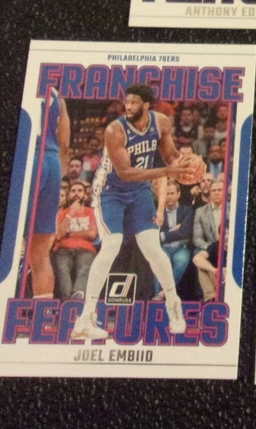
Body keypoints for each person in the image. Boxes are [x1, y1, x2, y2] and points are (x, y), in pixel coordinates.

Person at [70, 84, 199, 340]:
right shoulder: (114, 130)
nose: (128, 107)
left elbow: (170, 155)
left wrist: (188, 164)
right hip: (111, 191)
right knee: (111, 245)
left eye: (134, 102)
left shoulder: (161, 123)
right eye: (126, 102)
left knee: (152, 248)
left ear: (147, 105)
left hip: (139, 191)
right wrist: (168, 171)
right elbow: (126, 173)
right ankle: (85, 319)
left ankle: (174, 306)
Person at [28, 87, 70, 299]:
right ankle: (42, 313)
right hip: (52, 161)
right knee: (40, 253)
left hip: (29, 156)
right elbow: (65, 142)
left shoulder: (26, 82)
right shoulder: (56, 94)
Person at [51, 180, 98, 300]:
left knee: (84, 267)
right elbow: (59, 235)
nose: (76, 193)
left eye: (80, 191)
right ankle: (68, 301)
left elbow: (92, 234)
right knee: (62, 269)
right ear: (68, 196)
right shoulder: (62, 213)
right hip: (63, 249)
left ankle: (77, 296)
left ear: (85, 195)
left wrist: (69, 234)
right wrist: (71, 214)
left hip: (86, 249)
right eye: (73, 191)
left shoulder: (92, 212)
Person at [155, 179, 194, 300]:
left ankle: (163, 293)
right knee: (159, 262)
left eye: (172, 193)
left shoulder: (187, 211)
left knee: (182, 260)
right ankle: (158, 295)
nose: (169, 197)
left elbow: (185, 232)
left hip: (180, 248)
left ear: (178, 194)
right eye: (166, 194)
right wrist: (175, 230)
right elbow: (155, 235)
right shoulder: (158, 212)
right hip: (164, 248)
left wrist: (164, 235)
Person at [192, 177, 226, 302]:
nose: (216, 193)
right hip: (209, 247)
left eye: (219, 190)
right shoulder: (200, 211)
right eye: (213, 191)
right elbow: (197, 238)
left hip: (228, 247)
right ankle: (205, 296)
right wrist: (212, 248)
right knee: (198, 255)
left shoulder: (232, 209)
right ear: (209, 193)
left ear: (224, 191)